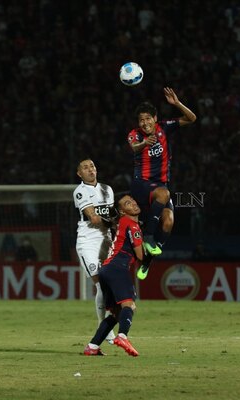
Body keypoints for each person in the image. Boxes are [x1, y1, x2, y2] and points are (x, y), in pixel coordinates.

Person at [127, 87, 197, 279]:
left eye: (148, 118)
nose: (145, 122)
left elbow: (192, 119)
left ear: (155, 118)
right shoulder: (135, 134)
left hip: (160, 186)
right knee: (164, 194)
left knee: (168, 222)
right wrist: (144, 144)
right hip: (141, 185)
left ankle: (147, 260)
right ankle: (148, 237)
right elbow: (134, 147)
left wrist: (177, 104)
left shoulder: (164, 127)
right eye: (141, 120)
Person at [83, 195, 143, 357]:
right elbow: (140, 255)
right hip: (117, 268)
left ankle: (93, 346)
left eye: (133, 200)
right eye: (128, 203)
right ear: (122, 211)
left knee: (116, 313)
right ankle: (122, 336)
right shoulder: (131, 225)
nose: (134, 203)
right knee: (129, 305)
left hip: (107, 269)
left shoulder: (124, 223)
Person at [73, 158, 116, 344]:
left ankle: (105, 328)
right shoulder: (80, 192)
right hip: (88, 243)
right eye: (85, 167)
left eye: (92, 166)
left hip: (107, 242)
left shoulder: (108, 189)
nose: (90, 169)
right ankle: (104, 328)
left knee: (109, 285)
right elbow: (93, 217)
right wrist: (118, 220)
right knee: (101, 283)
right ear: (79, 174)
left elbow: (113, 215)